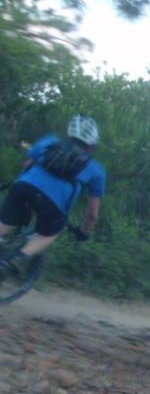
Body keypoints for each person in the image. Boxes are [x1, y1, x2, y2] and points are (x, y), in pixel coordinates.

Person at [0, 115, 105, 278]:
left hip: (23, 186)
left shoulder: (49, 142)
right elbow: (92, 214)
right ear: (92, 143)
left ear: (70, 134)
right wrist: (82, 232)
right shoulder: (96, 170)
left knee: (5, 224)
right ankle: (17, 259)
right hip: (53, 205)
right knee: (48, 234)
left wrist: (17, 183)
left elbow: (27, 165)